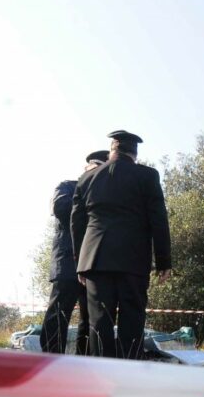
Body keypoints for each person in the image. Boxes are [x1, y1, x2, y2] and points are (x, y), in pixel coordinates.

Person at [71, 130, 172, 360]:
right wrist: (164, 260)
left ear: (111, 150)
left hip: (95, 259)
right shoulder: (147, 176)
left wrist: (79, 262)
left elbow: (77, 222)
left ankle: (100, 372)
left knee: (99, 321)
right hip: (133, 259)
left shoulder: (87, 178)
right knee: (132, 319)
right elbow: (158, 218)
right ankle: (129, 370)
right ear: (134, 153)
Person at [40, 150, 110, 355]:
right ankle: (51, 359)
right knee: (59, 313)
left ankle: (83, 361)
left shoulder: (106, 195)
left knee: (90, 319)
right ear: (87, 168)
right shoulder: (67, 187)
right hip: (67, 263)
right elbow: (61, 208)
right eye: (96, 170)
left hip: (93, 264)